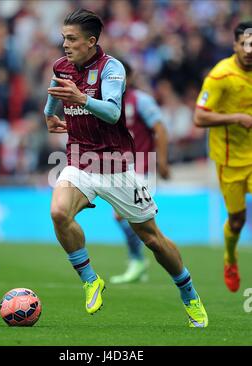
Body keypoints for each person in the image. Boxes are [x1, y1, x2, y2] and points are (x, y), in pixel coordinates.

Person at [44, 8, 208, 327]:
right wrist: (50, 114)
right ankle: (91, 280)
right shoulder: (61, 66)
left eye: (72, 39)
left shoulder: (111, 68)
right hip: (80, 159)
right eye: (63, 37)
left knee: (152, 239)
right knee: (59, 213)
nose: (65, 44)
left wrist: (81, 98)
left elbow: (111, 112)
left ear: (91, 42)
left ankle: (189, 294)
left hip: (116, 166)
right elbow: (53, 93)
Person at [194, 21, 252, 293]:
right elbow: (199, 116)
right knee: (237, 220)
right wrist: (236, 118)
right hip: (231, 159)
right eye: (244, 44)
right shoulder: (220, 76)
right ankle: (230, 258)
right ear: (235, 45)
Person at [110, 60, 170, 284]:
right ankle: (139, 260)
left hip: (141, 168)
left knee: (123, 216)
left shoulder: (141, 100)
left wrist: (162, 162)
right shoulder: (107, 101)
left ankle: (138, 261)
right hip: (117, 169)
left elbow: (160, 130)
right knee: (126, 218)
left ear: (131, 76)